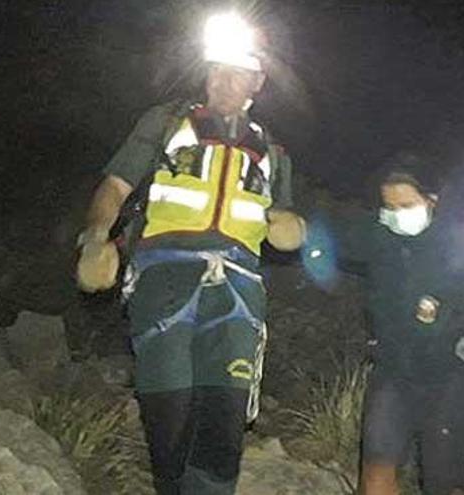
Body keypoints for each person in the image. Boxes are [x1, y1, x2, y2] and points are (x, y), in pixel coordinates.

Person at [75, 12, 305, 495]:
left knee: (222, 428)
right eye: (216, 68)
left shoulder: (273, 152)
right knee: (170, 421)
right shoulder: (164, 122)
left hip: (239, 291)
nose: (224, 80)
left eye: (237, 71)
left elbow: (284, 222)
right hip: (164, 277)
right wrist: (96, 238)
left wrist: (294, 228)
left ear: (257, 81)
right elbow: (115, 187)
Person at [304, 155, 464, 495]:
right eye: (389, 206)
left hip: (451, 380)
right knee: (376, 473)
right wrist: (300, 229)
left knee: (444, 484)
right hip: (394, 375)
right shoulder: (379, 235)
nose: (396, 214)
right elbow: (331, 232)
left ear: (432, 200)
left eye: (406, 204)